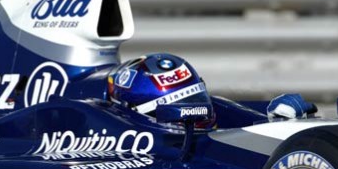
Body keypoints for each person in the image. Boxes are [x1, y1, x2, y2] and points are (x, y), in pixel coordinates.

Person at [108, 53, 317, 123]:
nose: (201, 117)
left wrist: (276, 124)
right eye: (181, 107)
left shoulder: (213, 116)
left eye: (196, 97)